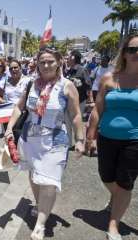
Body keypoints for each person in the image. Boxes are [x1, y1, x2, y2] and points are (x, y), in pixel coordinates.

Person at [5, 48, 84, 240]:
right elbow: (19, 106)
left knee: (49, 181)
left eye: (50, 61)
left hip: (55, 140)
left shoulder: (67, 86)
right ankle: (41, 206)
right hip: (30, 139)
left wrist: (80, 139)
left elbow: (75, 115)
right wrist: (9, 128)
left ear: (58, 62)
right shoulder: (32, 84)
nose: (46, 65)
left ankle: (40, 224)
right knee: (35, 174)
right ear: (37, 64)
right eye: (42, 62)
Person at [87, 33, 138, 240]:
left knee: (125, 182)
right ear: (124, 53)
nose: (136, 53)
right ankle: (117, 198)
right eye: (132, 49)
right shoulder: (109, 78)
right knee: (106, 176)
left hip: (134, 140)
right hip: (106, 137)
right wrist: (90, 137)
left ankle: (113, 225)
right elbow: (98, 109)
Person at [0, 59, 31, 131]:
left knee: (20, 137)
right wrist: (5, 103)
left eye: (15, 67)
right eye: (11, 68)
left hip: (23, 115)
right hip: (8, 114)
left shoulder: (28, 81)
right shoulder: (5, 81)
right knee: (9, 137)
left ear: (20, 68)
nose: (13, 70)